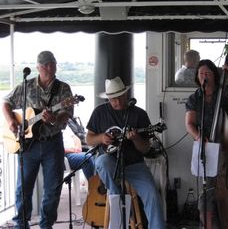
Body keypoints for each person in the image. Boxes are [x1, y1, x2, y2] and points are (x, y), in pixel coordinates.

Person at [2, 51, 73, 229]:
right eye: (46, 65)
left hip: (52, 143)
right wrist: (11, 121)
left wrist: (54, 119)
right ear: (38, 67)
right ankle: (21, 224)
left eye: (53, 63)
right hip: (28, 145)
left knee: (53, 188)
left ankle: (46, 225)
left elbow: (67, 114)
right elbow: (6, 102)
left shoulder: (63, 88)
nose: (51, 67)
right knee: (23, 189)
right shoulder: (27, 86)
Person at [86, 76, 165, 229]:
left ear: (126, 94)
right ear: (108, 98)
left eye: (120, 97)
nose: (117, 102)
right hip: (111, 165)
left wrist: (136, 139)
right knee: (101, 161)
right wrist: (101, 137)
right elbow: (89, 139)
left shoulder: (139, 114)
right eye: (113, 99)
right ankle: (118, 198)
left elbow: (145, 149)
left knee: (153, 196)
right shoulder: (99, 112)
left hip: (135, 165)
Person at [185, 59, 228, 228]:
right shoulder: (194, 98)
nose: (204, 76)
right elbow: (189, 124)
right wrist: (198, 136)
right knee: (207, 191)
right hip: (206, 148)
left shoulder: (225, 92)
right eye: (201, 73)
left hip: (227, 147)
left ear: (215, 75)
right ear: (197, 77)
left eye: (208, 73)